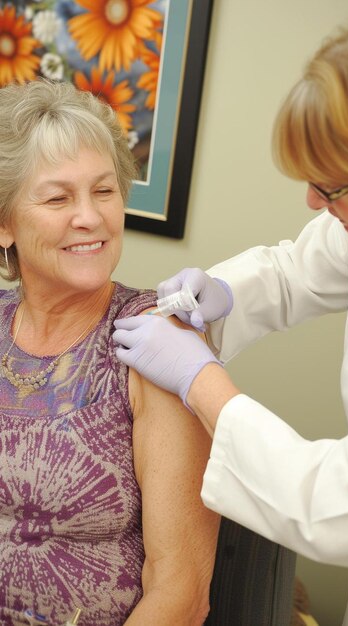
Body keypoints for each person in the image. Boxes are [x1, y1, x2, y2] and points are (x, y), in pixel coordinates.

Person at [112, 1, 348, 625]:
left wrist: (202, 382)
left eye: (334, 186)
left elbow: (330, 503)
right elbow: (292, 270)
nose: (312, 201)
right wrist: (218, 292)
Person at [0, 78, 219, 626]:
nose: (91, 217)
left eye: (104, 191)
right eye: (57, 198)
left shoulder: (157, 342)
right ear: (4, 224)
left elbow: (182, 593)